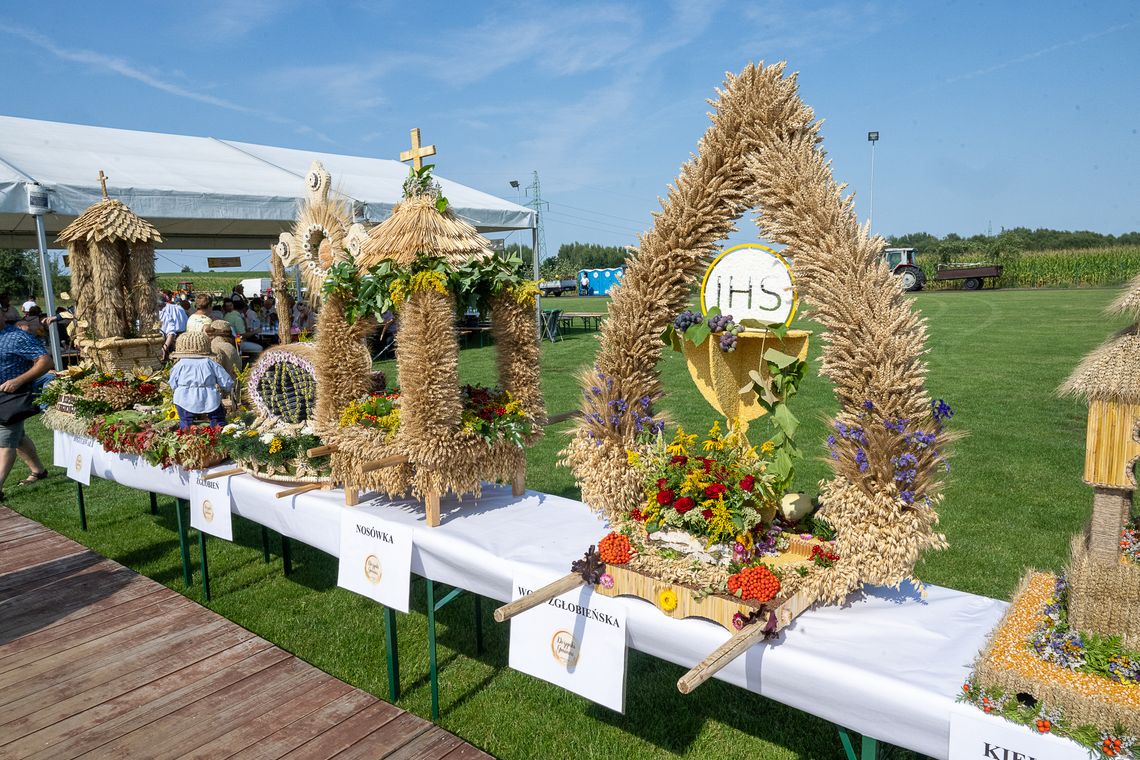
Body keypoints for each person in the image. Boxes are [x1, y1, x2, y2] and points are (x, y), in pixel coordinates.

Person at [0, 316, 52, 499]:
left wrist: (18, 381)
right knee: (18, 437)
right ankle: (38, 471)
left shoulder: (17, 337)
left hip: (13, 395)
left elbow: (45, 361)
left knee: (5, 440)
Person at [168, 332, 233, 429]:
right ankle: (219, 436)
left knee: (185, 422)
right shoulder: (210, 363)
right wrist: (227, 388)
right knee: (218, 419)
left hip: (184, 397)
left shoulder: (180, 364)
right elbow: (225, 380)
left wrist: (178, 389)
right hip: (208, 396)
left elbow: (173, 382)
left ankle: (186, 437)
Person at [158, 294, 188, 361]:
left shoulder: (163, 313)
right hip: (180, 336)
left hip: (168, 339)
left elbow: (171, 332)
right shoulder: (179, 308)